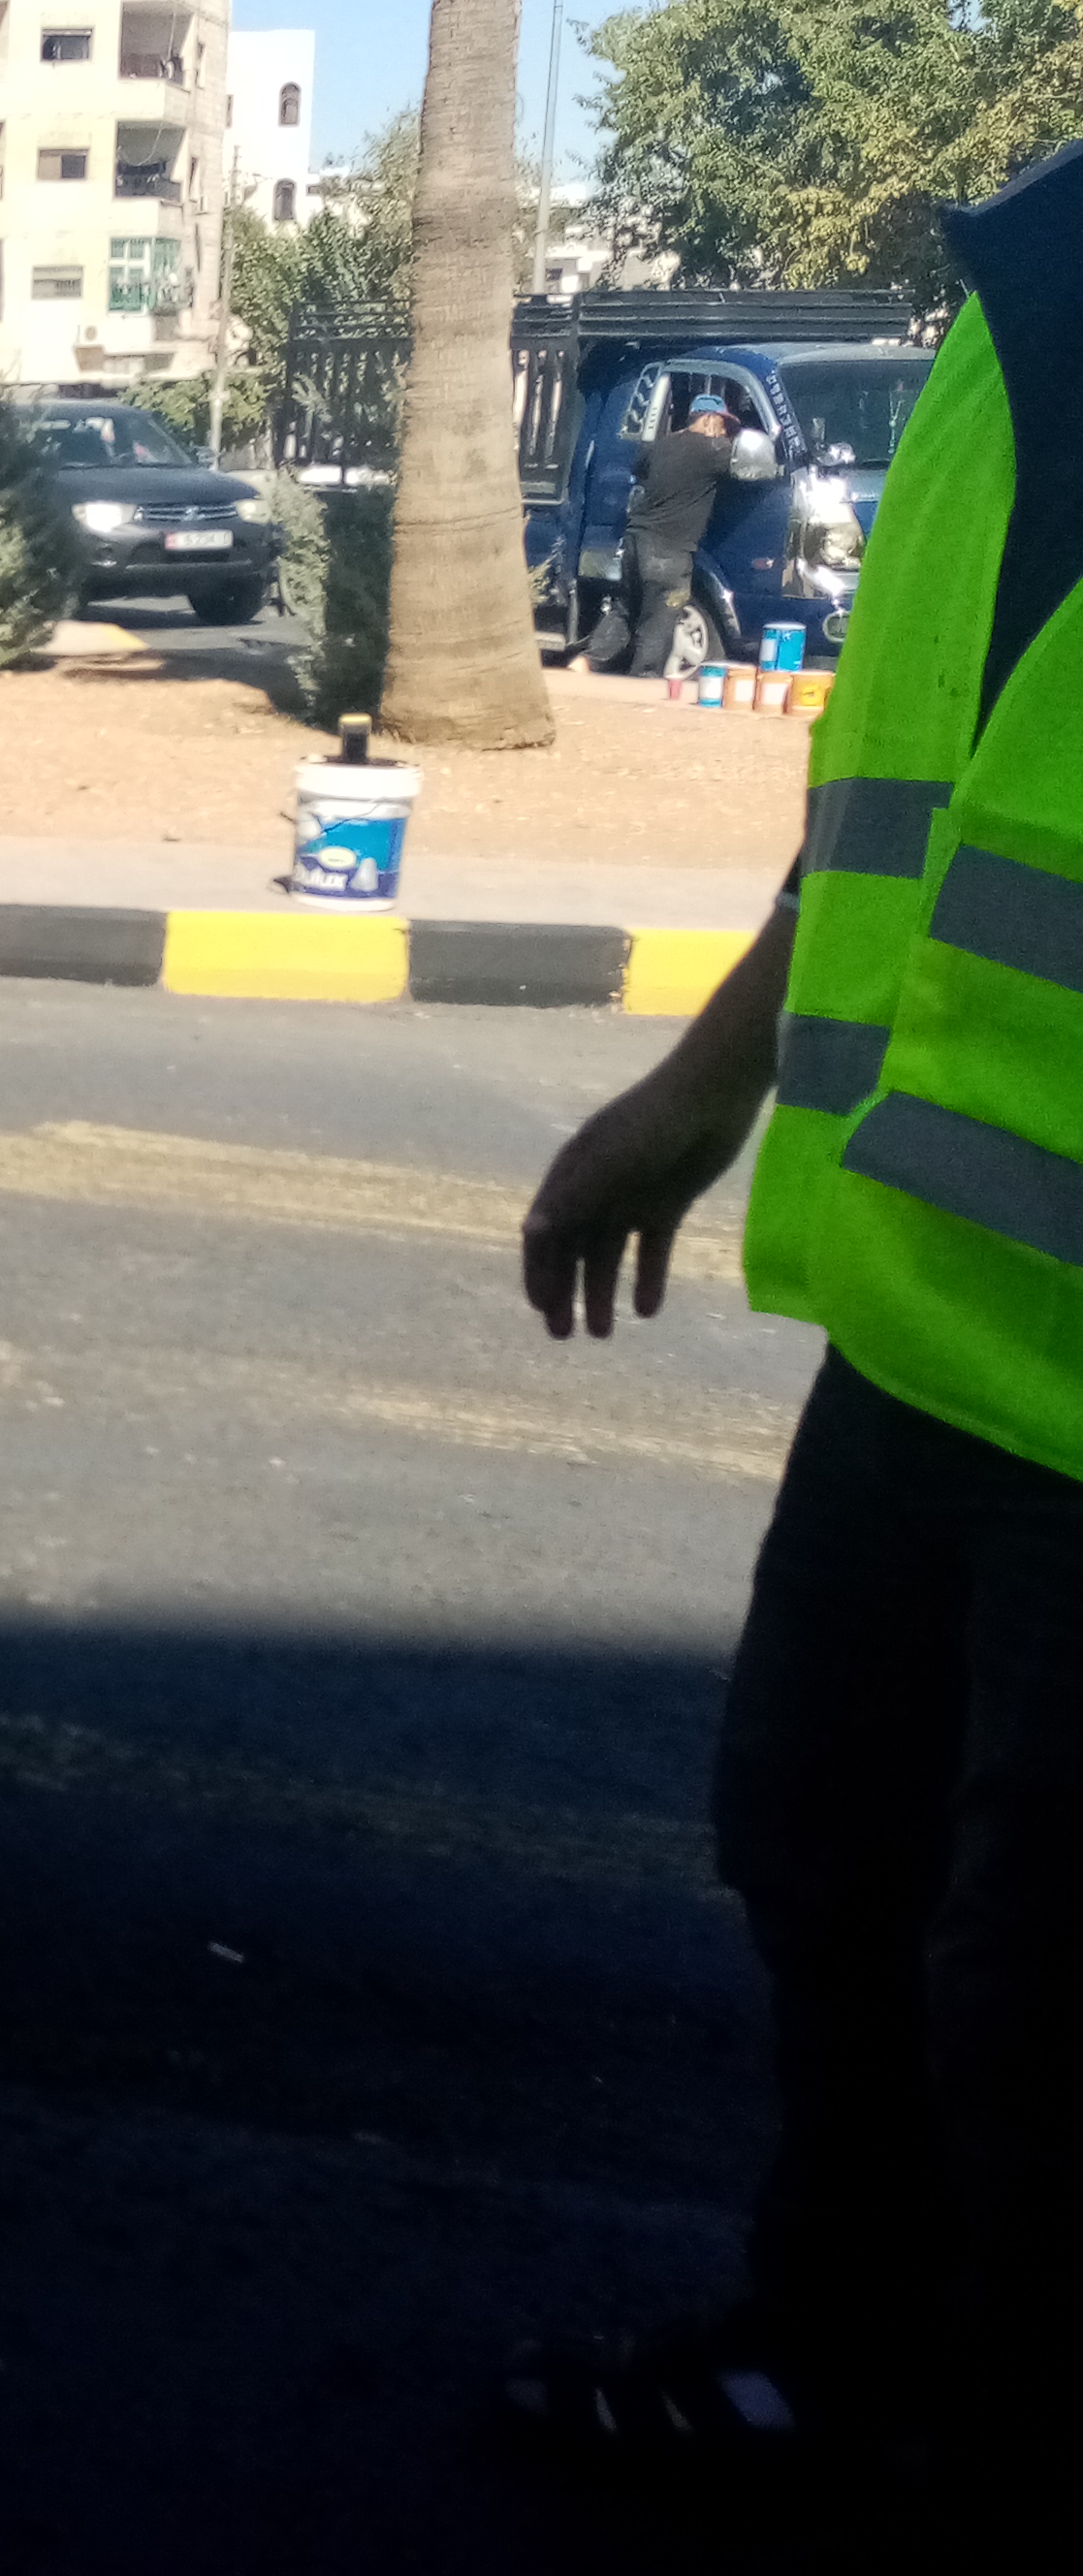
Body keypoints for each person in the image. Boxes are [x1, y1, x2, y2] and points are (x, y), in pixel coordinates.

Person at [508, 138, 1080, 2539]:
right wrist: (709, 1072)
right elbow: (902, 782)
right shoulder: (1024, 272)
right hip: (929, 1341)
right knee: (823, 1858)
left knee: (1038, 2015)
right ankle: (832, 2354)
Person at [604, 387, 736, 677]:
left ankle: (583, 664)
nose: (725, 432)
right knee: (660, 616)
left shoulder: (659, 446)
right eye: (723, 423)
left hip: (635, 540)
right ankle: (643, 678)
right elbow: (744, 467)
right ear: (708, 419)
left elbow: (640, 469)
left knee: (625, 610)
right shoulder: (714, 450)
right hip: (669, 550)